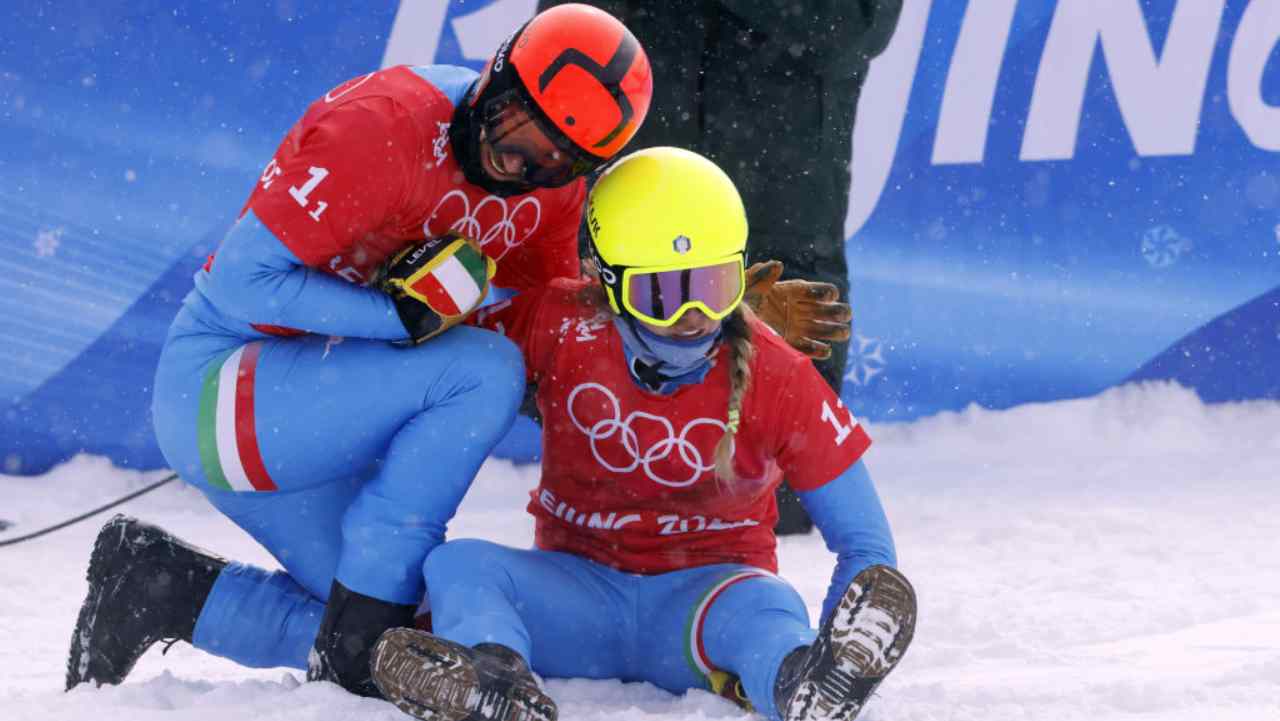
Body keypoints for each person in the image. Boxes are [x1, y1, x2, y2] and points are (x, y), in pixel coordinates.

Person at [65, 3, 654, 697]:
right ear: (496, 78)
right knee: (484, 370)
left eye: (558, 160)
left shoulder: (550, 193)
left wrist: (720, 332)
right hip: (221, 386)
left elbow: (549, 323)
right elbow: (240, 281)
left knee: (427, 638)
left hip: (313, 403)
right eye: (520, 128)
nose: (521, 163)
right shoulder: (382, 126)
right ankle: (360, 627)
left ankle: (162, 588)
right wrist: (394, 317)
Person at [367, 147, 916, 721]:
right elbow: (444, 367)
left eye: (715, 284)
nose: (694, 315)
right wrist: (406, 297)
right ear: (607, 284)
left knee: (769, 607)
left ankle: (805, 680)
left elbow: (867, 547)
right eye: (663, 294)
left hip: (707, 609)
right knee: (460, 565)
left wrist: (840, 639)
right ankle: (494, 681)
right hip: (573, 599)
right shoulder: (559, 322)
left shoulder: (779, 375)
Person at [538, 0, 905, 535]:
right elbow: (568, 26)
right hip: (643, 153)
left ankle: (766, 489)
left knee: (793, 303)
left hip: (784, 161)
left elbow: (857, 27)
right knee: (607, 480)